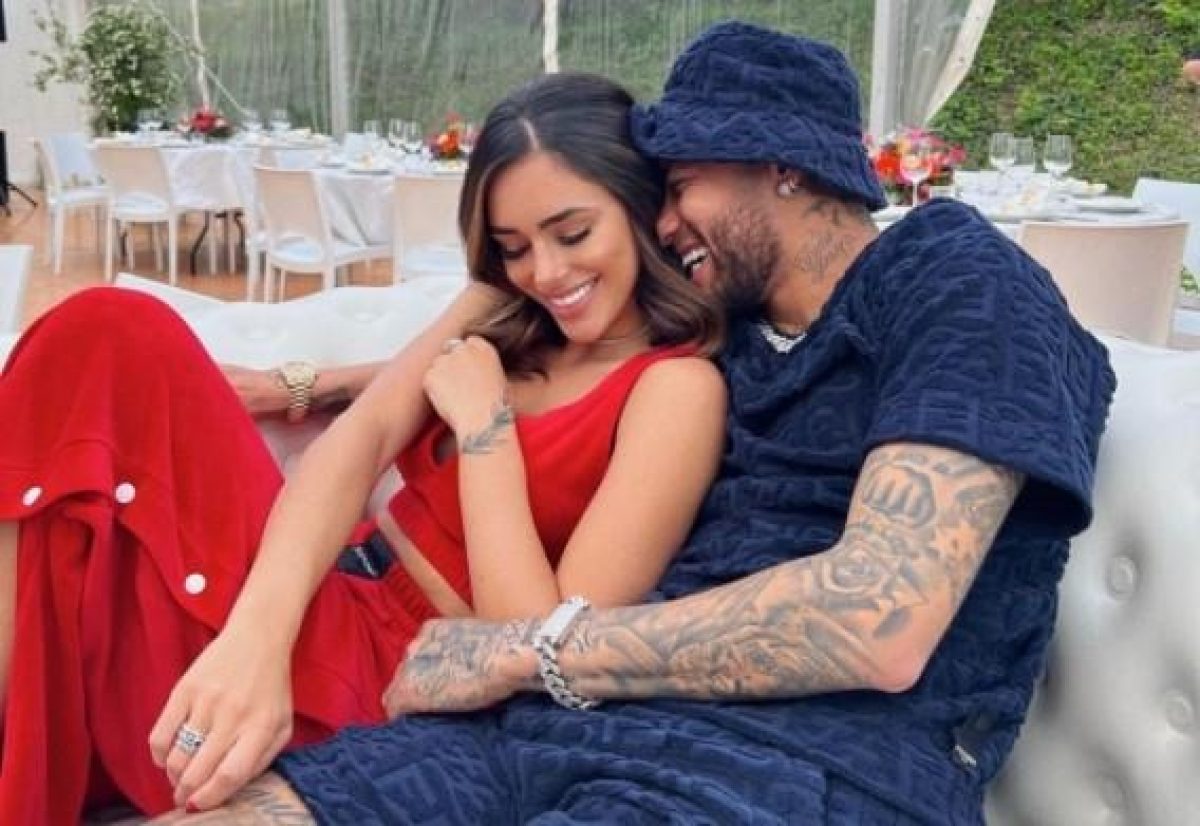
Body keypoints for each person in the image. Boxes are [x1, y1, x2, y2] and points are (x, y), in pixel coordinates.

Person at [178, 20, 1117, 825]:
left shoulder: (958, 280)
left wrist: (523, 651)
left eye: (682, 185)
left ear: (783, 168)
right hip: (562, 728)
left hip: (810, 769)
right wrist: (327, 381)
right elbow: (557, 358)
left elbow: (877, 619)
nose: (661, 223)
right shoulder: (734, 330)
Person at [0, 73, 726, 823]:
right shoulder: (505, 308)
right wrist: (256, 643)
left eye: (572, 234)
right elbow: (361, 440)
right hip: (313, 591)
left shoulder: (678, 391)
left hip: (392, 673)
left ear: (641, 208)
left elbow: (540, 650)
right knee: (105, 336)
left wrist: (485, 432)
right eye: (514, 247)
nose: (545, 272)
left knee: (105, 349)